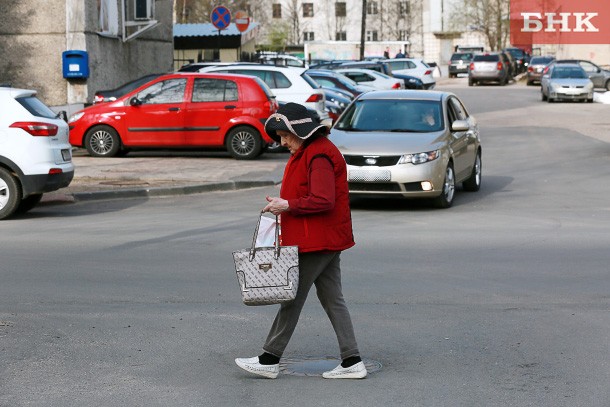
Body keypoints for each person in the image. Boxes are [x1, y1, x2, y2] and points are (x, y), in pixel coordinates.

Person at [234, 103, 367, 380]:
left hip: (317, 240)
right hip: (323, 237)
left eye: (285, 135)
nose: (282, 142)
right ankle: (352, 360)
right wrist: (285, 203)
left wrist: (288, 205)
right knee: (333, 300)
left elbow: (323, 199)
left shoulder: (318, 155)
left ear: (300, 130)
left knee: (291, 297)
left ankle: (269, 358)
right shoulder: (313, 151)